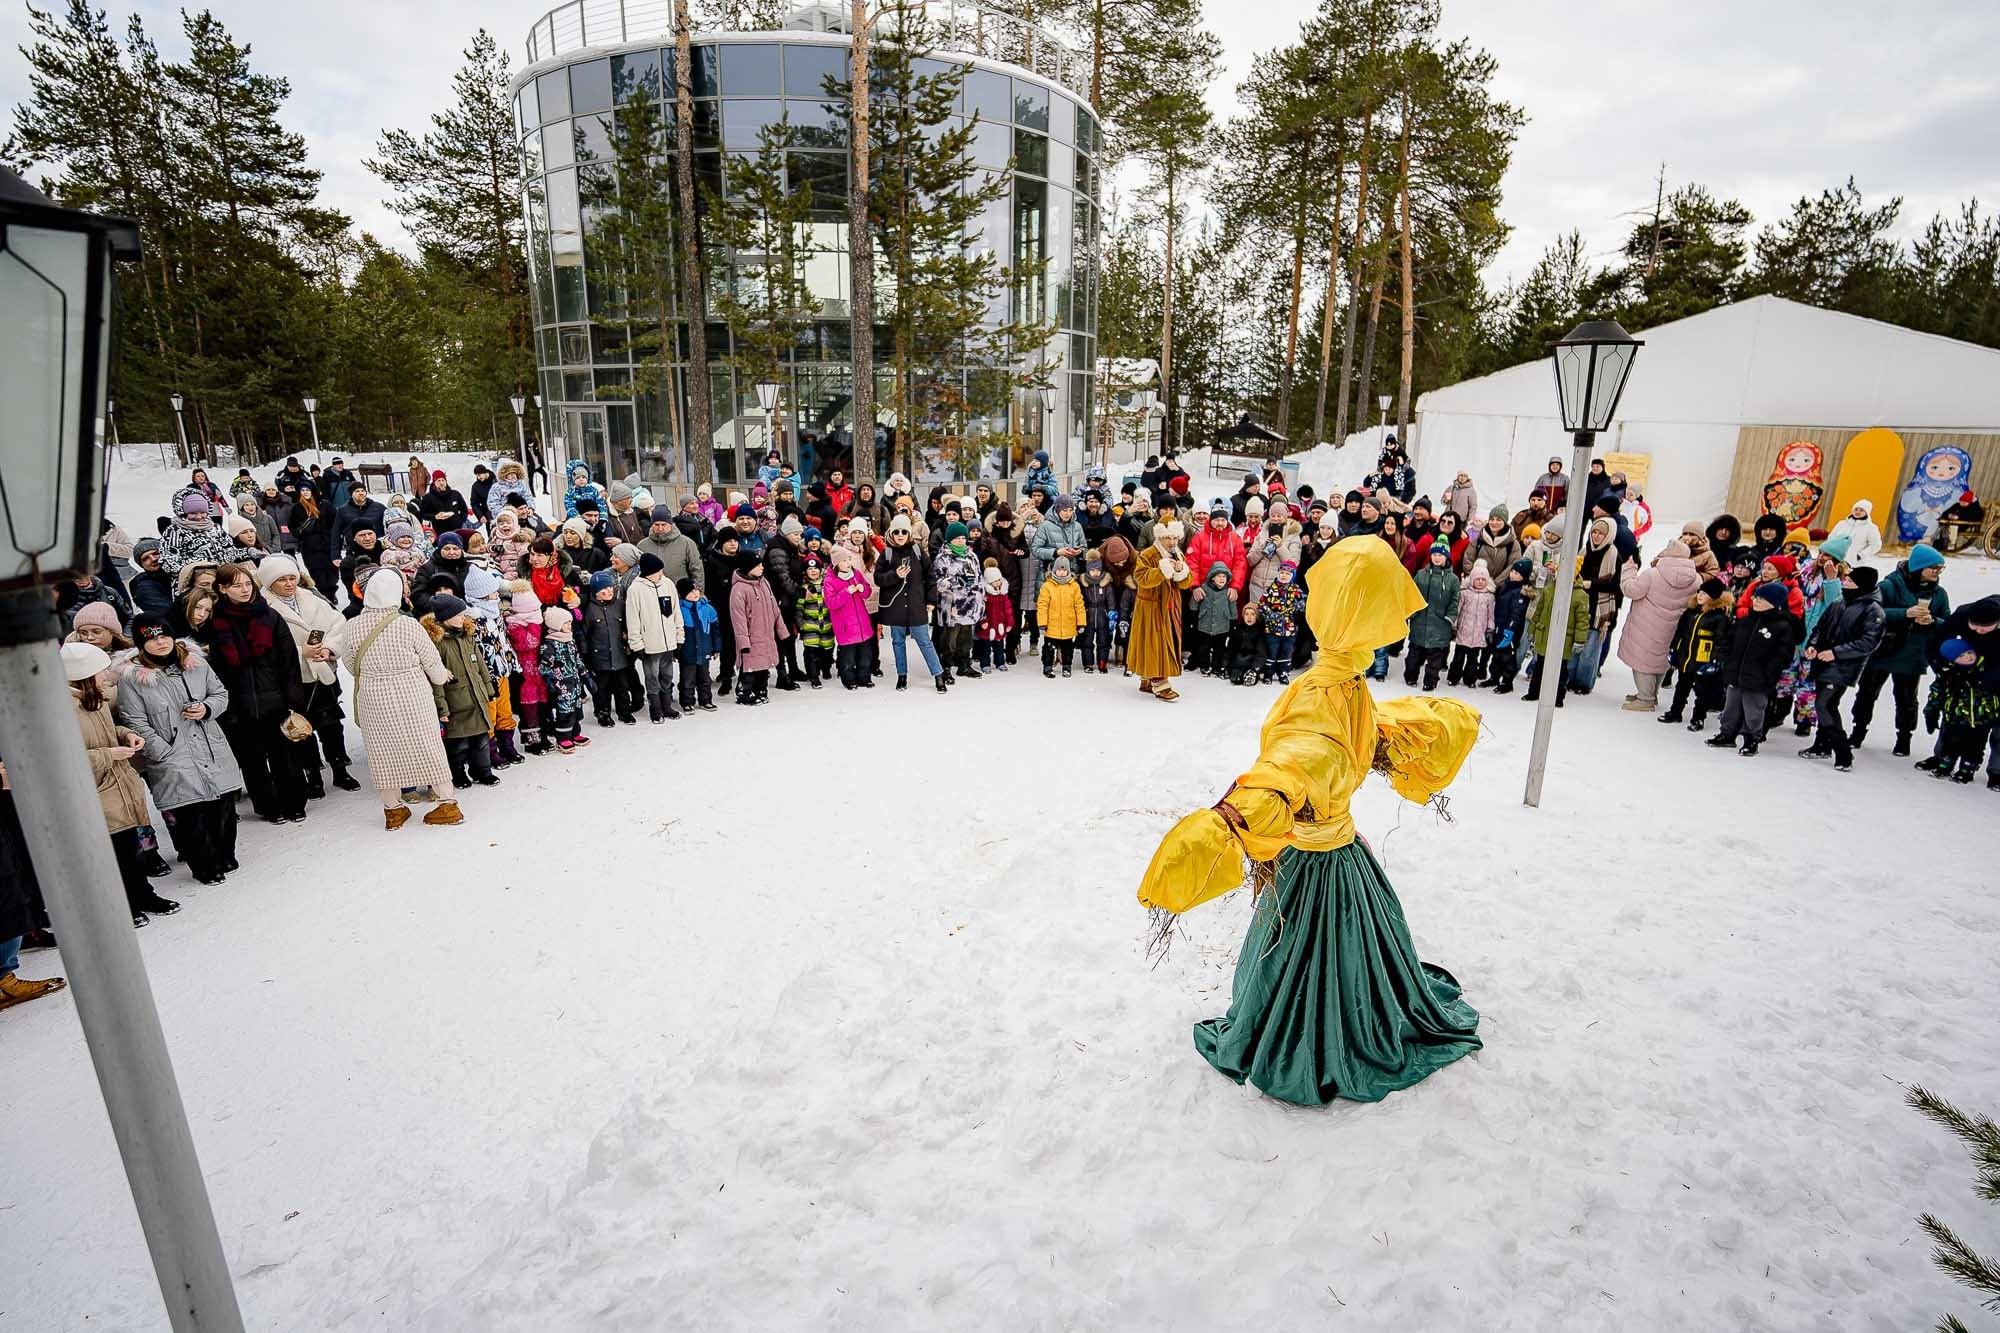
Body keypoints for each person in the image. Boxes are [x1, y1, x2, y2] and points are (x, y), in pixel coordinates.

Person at [1135, 538, 1481, 1106]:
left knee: (1328, 952)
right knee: (1314, 957)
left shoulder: (1344, 681)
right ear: (1365, 616)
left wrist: (1409, 734)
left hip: (1334, 854)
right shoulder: (1321, 694)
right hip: (1317, 861)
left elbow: (1347, 745)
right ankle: (1316, 1042)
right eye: (1387, 609)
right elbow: (1293, 763)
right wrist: (1230, 821)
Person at [113, 615, 243, 886]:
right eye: (151, 638)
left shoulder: (196, 664)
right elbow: (134, 721)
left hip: (210, 745)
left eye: (164, 636)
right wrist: (162, 751)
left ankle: (225, 854)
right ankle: (204, 865)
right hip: (173, 754)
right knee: (190, 816)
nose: (160, 642)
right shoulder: (132, 679)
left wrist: (206, 708)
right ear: (140, 644)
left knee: (223, 807)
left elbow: (220, 694)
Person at [61, 642, 180, 925]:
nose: (106, 676)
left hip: (119, 785)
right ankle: (121, 905)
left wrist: (125, 735)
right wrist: (108, 754)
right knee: (110, 854)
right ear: (85, 674)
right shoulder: (62, 710)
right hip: (95, 789)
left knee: (130, 848)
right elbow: (62, 757)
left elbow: (106, 730)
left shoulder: (94, 697)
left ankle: (143, 895)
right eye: (101, 671)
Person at [331, 570, 461, 828]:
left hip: (373, 698)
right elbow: (434, 669)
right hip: (413, 695)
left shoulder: (353, 625)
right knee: (428, 747)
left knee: (382, 753)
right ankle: (447, 805)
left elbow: (348, 663)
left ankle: (393, 811)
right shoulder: (408, 624)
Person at [197, 563, 311, 825]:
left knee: (285, 757)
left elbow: (289, 663)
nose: (244, 590)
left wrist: (293, 701)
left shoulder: (269, 617)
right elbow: (215, 670)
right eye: (237, 585)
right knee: (253, 762)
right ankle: (268, 806)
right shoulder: (215, 623)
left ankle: (295, 803)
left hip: (276, 700)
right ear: (222, 589)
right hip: (238, 705)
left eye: (248, 583)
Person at [1849, 544, 1950, 758]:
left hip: (1913, 655)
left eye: (1940, 568)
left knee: (1906, 699)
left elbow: (1948, 624)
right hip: (1883, 650)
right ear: (1919, 567)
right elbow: (1871, 611)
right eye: (1933, 567)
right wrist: (1904, 613)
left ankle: (1904, 738)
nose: (1937, 572)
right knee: (1867, 693)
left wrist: (1933, 621)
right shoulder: (1889, 585)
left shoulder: (1939, 594)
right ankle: (1858, 731)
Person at [1798, 566, 1885, 770]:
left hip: (1844, 666)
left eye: (1850, 582)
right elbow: (1820, 628)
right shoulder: (1838, 603)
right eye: (1846, 580)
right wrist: (1813, 646)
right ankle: (1821, 745)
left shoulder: (1873, 610)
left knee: (1825, 705)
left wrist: (1836, 653)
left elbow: (1867, 643)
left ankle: (1843, 751)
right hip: (1822, 661)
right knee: (1825, 704)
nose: (1845, 584)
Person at [1706, 582, 1800, 757]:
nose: (1755, 601)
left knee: (1753, 710)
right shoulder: (1746, 620)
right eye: (1755, 597)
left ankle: (1751, 739)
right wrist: (1724, 656)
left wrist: (1769, 674)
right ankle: (1727, 734)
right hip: (1736, 673)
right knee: (1730, 707)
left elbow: (1782, 656)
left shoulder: (1782, 626)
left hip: (1759, 678)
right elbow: (1729, 640)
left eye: (1761, 598)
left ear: (1775, 602)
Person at [1616, 539, 1701, 712]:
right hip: (1673, 627)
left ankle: (1645, 698)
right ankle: (1651, 694)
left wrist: (1628, 571)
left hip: (1647, 624)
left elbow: (1631, 590)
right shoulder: (1696, 579)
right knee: (1661, 660)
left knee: (1642, 660)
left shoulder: (1652, 574)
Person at [1129, 520, 1193, 700]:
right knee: (1155, 643)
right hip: (1151, 606)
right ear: (1159, 537)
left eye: (1174, 538)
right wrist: (1161, 571)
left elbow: (1187, 583)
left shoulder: (1178, 554)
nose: (1172, 542)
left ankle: (1147, 680)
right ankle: (1161, 684)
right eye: (1167, 538)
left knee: (1162, 642)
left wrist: (1182, 572)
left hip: (1171, 606)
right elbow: (1141, 578)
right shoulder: (1148, 554)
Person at [1920, 637, 1999, 783]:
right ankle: (1945, 764)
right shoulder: (1949, 674)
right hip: (1955, 717)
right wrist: (1931, 711)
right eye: (1961, 656)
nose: (1968, 657)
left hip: (1981, 719)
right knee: (1950, 742)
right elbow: (1937, 693)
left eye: (1969, 652)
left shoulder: (1986, 670)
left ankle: (1967, 769)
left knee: (1975, 747)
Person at [1658, 578, 1733, 730]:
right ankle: (1675, 712)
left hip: (1703, 660)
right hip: (1686, 658)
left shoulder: (1719, 618)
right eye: (1700, 592)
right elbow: (1679, 633)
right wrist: (1674, 649)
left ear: (1714, 597)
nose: (1700, 595)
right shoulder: (1690, 612)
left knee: (1702, 692)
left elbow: (1721, 642)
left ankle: (1698, 718)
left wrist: (1715, 661)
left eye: (1705, 594)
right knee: (1682, 686)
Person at [1523, 558, 1591, 706]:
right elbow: (1539, 611)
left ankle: (1558, 697)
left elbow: (1582, 621)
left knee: (1560, 670)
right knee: (1540, 665)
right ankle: (1534, 692)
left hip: (1564, 639)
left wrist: (1579, 640)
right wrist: (1532, 629)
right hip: (1544, 634)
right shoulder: (1549, 589)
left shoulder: (1581, 596)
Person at [729, 551, 788, 706]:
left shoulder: (764, 583)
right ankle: (745, 692)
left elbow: (775, 608)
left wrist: (781, 630)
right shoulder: (739, 589)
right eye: (758, 565)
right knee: (750, 666)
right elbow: (738, 618)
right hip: (751, 635)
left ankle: (761, 690)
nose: (762, 567)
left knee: (764, 665)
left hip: (766, 633)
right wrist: (743, 641)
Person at [932, 523, 984, 681]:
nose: (961, 541)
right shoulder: (943, 558)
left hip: (969, 605)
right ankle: (946, 667)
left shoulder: (971, 556)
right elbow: (937, 582)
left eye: (963, 538)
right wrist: (956, 582)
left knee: (966, 637)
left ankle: (964, 665)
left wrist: (979, 596)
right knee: (949, 639)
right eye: (957, 538)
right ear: (949, 540)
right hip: (951, 605)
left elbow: (979, 577)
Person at [1404, 544, 1459, 691]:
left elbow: (1455, 600)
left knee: (1435, 659)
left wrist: (1450, 617)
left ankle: (1430, 681)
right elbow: (1412, 594)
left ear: (1446, 557)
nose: (1437, 558)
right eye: (1434, 555)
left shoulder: (1452, 579)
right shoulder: (1421, 574)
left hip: (1440, 624)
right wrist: (1413, 612)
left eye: (1440, 555)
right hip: (1420, 623)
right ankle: (1410, 677)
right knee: (1414, 655)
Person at [537, 608, 590, 752]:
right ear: (555, 625)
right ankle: (562, 738)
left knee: (576, 709)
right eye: (566, 623)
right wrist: (552, 682)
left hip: (574, 683)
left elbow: (577, 659)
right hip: (562, 686)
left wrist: (585, 675)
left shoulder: (570, 640)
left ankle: (575, 733)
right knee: (564, 712)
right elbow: (543, 667)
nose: (569, 625)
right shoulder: (550, 645)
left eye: (570, 622)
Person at [1256, 560, 1306, 686]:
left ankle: (1283, 672)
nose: (1284, 576)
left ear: (1292, 576)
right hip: (1272, 628)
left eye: (1287, 574)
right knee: (1272, 651)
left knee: (1286, 651)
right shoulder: (1272, 589)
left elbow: (1304, 602)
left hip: (1289, 629)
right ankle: (1268, 673)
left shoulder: (1295, 590)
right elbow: (1262, 604)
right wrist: (1269, 614)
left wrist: (1300, 605)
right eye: (1282, 573)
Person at [1450, 564, 1497, 687]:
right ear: (1472, 580)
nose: (1480, 582)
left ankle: (1470, 679)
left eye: (1483, 580)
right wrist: (1454, 624)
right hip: (1463, 632)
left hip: (1478, 634)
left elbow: (1490, 615)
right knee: (1458, 658)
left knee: (1473, 660)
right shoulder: (1465, 593)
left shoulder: (1489, 597)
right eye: (1477, 579)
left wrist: (1490, 629)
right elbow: (1458, 609)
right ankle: (1453, 677)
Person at [1487, 560, 1530, 694]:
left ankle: (1507, 682)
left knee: (1507, 656)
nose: (1512, 574)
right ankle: (1494, 677)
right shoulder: (1506, 587)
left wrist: (1510, 629)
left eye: (1517, 573)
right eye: (1512, 571)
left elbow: (1516, 613)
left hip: (1510, 630)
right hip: (1499, 626)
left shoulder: (1520, 593)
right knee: (1496, 653)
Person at [1823, 500, 1884, 565]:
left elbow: (1876, 545)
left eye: (1861, 510)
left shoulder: (1871, 528)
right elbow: (1831, 538)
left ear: (1867, 512)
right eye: (1856, 509)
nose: (1858, 512)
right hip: (1835, 559)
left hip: (1854, 563)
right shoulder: (1841, 524)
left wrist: (1860, 555)